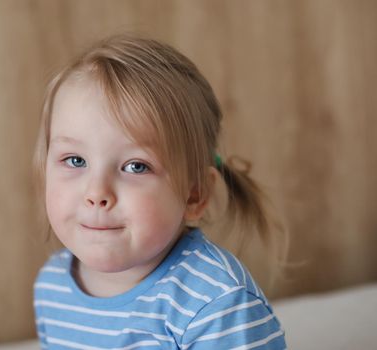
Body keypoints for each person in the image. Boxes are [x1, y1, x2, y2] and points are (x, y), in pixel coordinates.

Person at [32, 34, 286, 349]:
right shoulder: (53, 286)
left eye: (135, 166)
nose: (97, 192)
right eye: (75, 160)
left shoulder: (215, 303)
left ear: (194, 194)